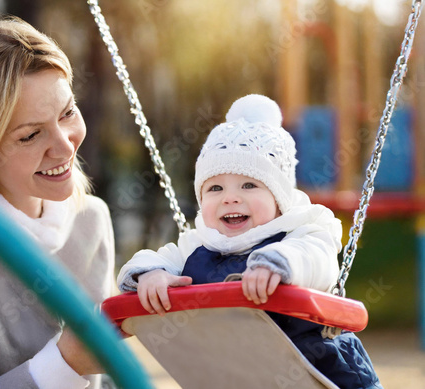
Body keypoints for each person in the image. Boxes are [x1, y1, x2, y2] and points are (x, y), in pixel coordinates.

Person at [117, 94, 382, 388]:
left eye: (249, 185)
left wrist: (278, 265)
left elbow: (316, 257)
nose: (230, 197)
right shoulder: (198, 244)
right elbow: (154, 257)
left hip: (318, 370)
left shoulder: (300, 231)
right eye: (215, 188)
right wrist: (151, 274)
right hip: (243, 373)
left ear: (278, 199)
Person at [0, 18, 115, 389]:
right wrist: (62, 365)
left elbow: (104, 379)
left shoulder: (91, 221)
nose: (65, 146)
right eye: (29, 135)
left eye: (67, 112)